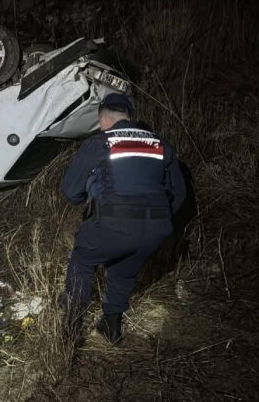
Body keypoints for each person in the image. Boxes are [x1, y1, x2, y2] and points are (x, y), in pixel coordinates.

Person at [60, 93, 187, 345]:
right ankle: (111, 326)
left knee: (82, 261)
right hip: (156, 228)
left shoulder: (101, 143)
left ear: (104, 120)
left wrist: (87, 203)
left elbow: (70, 190)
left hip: (113, 222)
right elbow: (179, 193)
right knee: (123, 270)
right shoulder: (161, 145)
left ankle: (70, 330)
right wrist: (157, 220)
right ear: (130, 117)